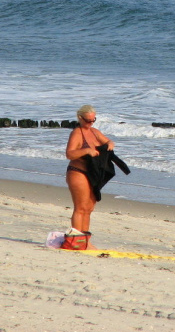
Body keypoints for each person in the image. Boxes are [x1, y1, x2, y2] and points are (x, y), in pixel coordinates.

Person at [65, 105, 114, 246]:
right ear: (80, 118)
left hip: (92, 173)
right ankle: (75, 240)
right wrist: (86, 150)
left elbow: (108, 141)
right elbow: (69, 154)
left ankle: (85, 241)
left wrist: (110, 144)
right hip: (77, 171)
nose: (91, 123)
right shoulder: (76, 133)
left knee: (89, 208)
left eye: (93, 120)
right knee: (80, 207)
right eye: (88, 120)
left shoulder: (94, 132)